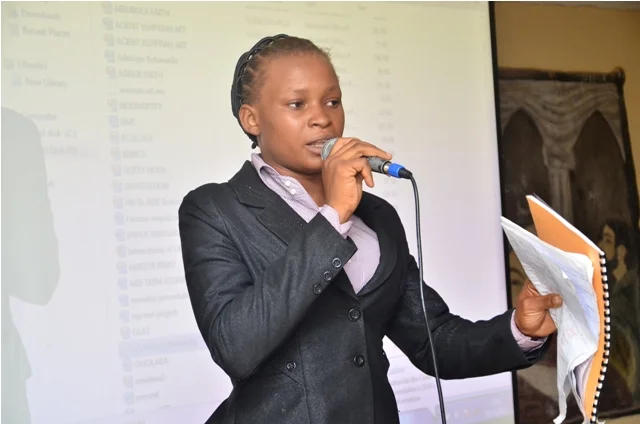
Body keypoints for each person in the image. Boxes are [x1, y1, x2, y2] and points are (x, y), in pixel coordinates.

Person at [178, 34, 562, 424]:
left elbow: (433, 340)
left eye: (332, 101)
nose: (322, 118)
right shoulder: (215, 209)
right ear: (252, 119)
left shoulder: (377, 216)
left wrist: (520, 329)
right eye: (297, 104)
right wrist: (333, 216)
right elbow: (235, 347)